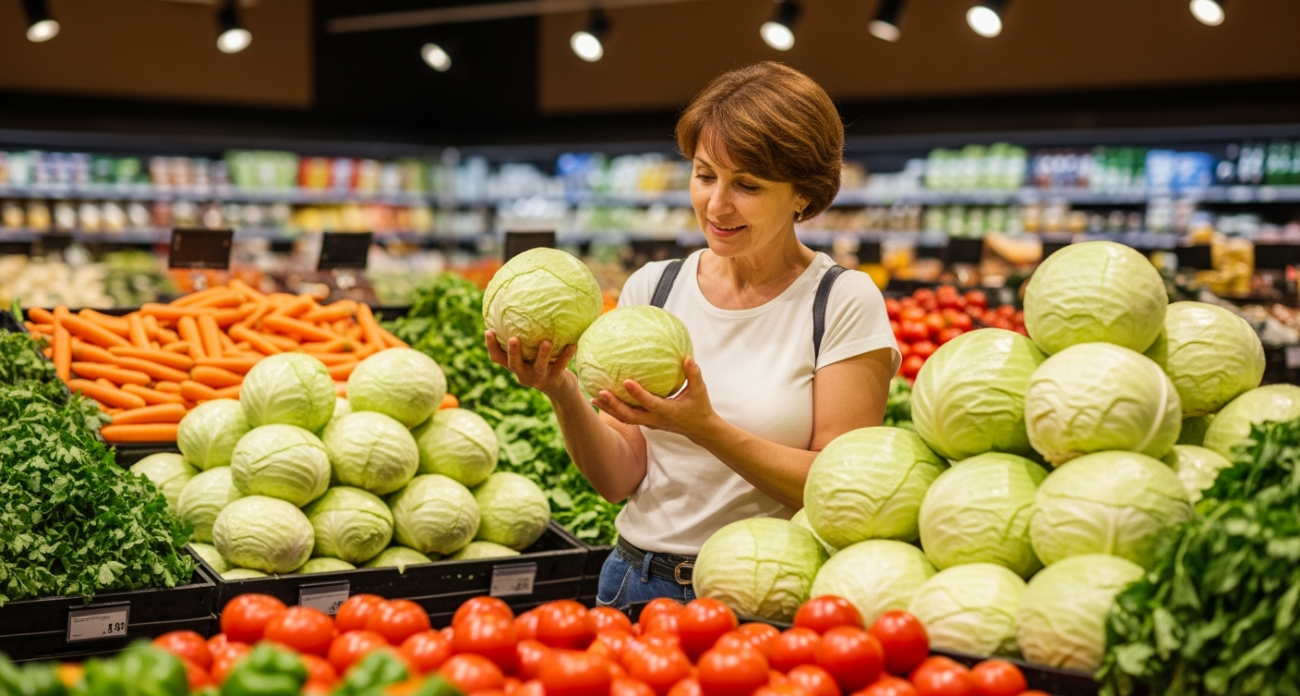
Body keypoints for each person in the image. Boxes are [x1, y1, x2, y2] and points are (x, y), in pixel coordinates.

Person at [485, 62, 899, 609]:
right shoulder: (655, 288)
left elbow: (839, 489)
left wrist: (705, 428)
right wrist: (560, 388)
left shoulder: (841, 301)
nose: (716, 205)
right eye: (705, 175)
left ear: (804, 193)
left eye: (747, 185)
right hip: (633, 582)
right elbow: (619, 479)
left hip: (759, 597)